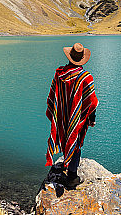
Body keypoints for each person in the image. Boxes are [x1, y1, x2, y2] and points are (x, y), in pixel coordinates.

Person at [45, 42, 98, 189]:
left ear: (69, 57)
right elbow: (92, 102)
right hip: (76, 119)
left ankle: (66, 164)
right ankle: (72, 177)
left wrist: (58, 112)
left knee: (66, 134)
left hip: (62, 116)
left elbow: (53, 96)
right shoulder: (85, 77)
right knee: (75, 141)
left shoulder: (59, 73)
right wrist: (92, 119)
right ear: (82, 59)